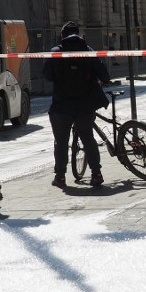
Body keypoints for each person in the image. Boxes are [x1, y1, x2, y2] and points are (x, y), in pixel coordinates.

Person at [42, 21, 111, 189]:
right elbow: (105, 76)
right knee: (88, 139)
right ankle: (96, 174)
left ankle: (60, 177)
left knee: (61, 142)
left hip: (61, 105)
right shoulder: (89, 52)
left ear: (62, 36)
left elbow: (47, 76)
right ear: (79, 34)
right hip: (84, 105)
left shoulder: (55, 53)